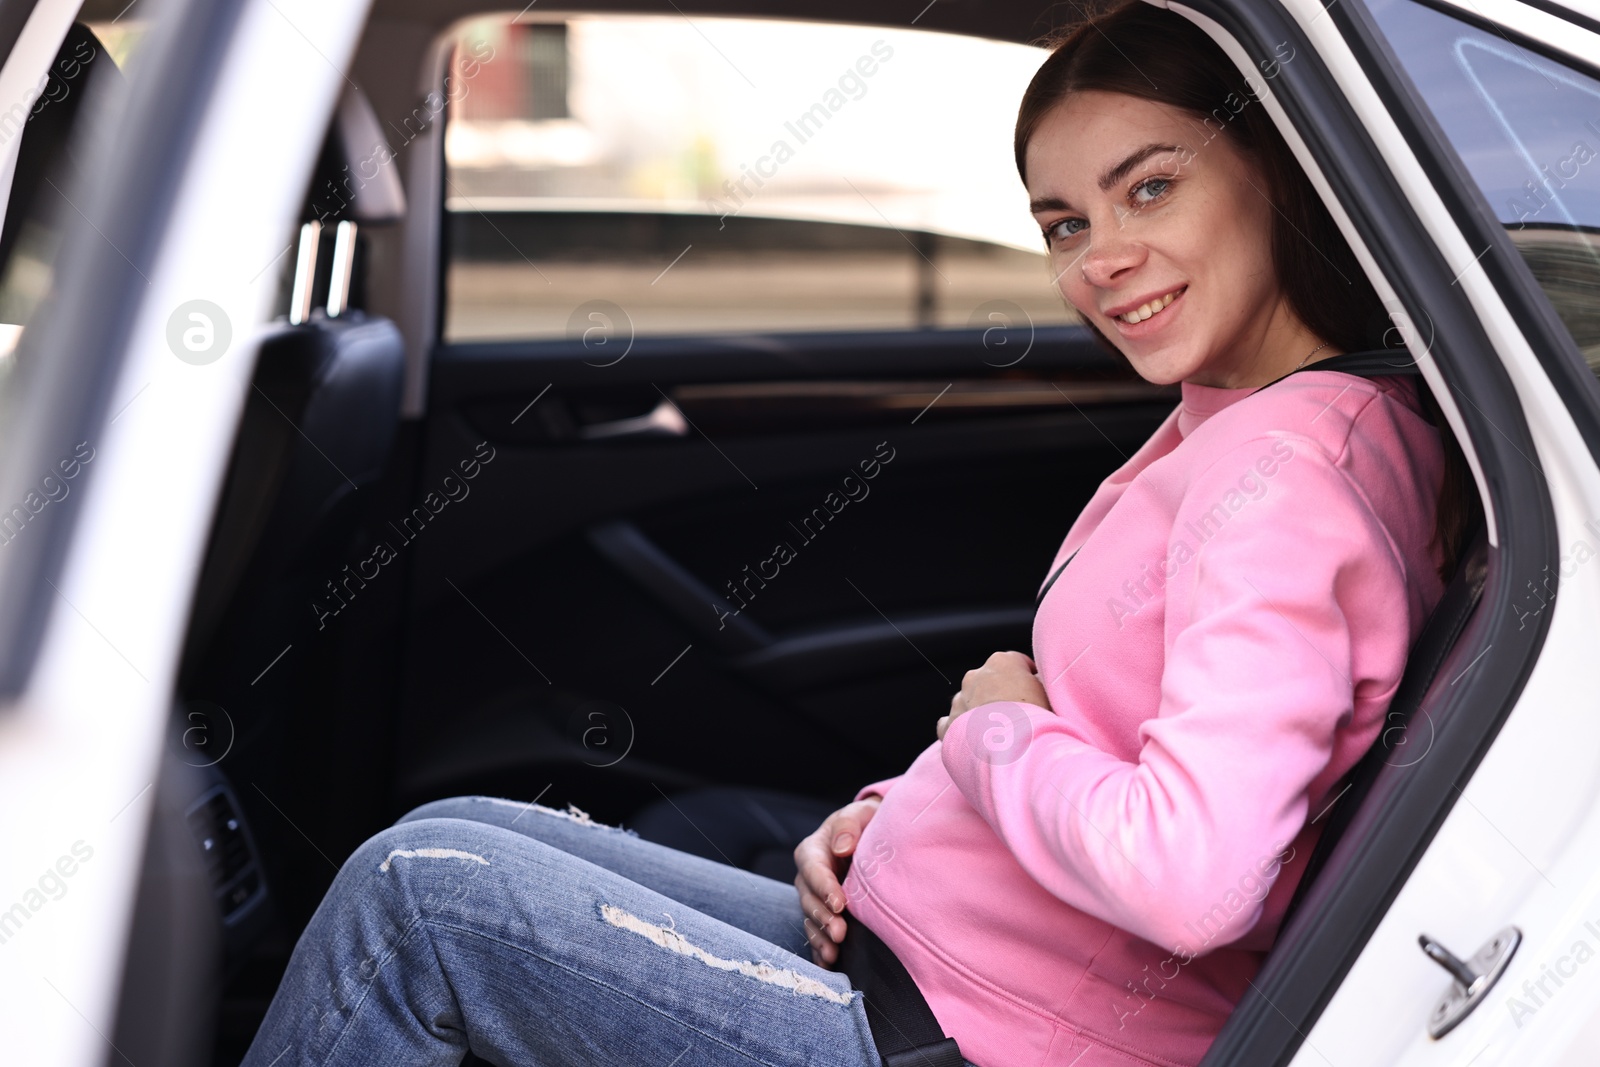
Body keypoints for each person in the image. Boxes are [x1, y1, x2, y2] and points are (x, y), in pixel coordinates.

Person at [238, 3, 1467, 1065]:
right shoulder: (1232, 421)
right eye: (1062, 223)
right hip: (936, 959)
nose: (1104, 259)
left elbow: (1193, 875)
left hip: (988, 1032)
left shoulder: (1290, 472)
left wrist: (990, 736)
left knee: (419, 904)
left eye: (1150, 186)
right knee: (452, 835)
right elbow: (1111, 736)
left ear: (1275, 173)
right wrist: (890, 818)